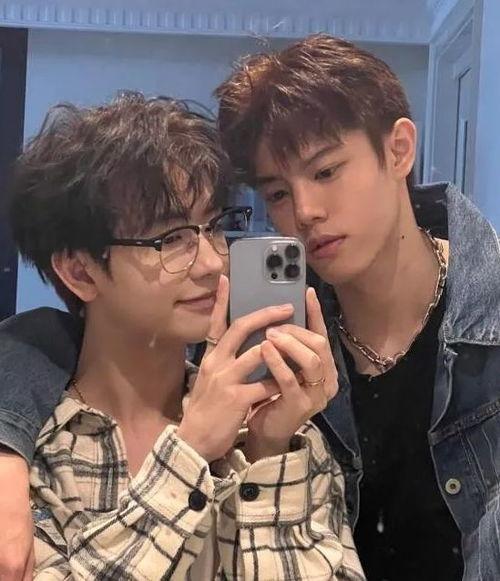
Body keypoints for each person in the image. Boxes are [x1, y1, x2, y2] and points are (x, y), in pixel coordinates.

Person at [0, 93, 365, 579]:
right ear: (80, 271)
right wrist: (187, 454)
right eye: (170, 238)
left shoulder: (282, 432)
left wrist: (268, 452)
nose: (213, 262)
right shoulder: (28, 455)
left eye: (214, 227)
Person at [213, 34, 500, 581]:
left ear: (398, 150)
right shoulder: (274, 339)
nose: (305, 212)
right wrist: (267, 442)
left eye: (325, 171)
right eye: (277, 194)